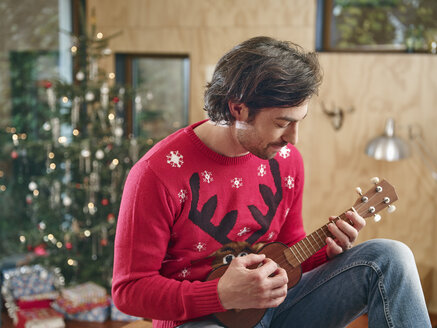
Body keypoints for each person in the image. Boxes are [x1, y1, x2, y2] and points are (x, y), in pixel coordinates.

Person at [112, 36, 431, 328]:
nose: (293, 139)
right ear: (238, 108)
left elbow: (289, 252)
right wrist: (221, 295)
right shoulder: (156, 174)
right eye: (282, 123)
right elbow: (128, 291)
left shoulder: (287, 160)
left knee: (390, 256)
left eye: (298, 122)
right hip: (201, 318)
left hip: (280, 306)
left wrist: (328, 252)